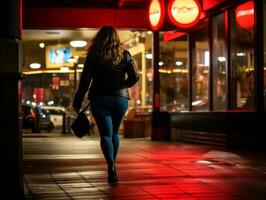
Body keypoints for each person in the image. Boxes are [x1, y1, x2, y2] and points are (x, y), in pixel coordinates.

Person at [72, 25, 139, 184]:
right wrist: (123, 85)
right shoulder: (125, 54)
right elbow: (135, 77)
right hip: (121, 99)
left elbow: (85, 81)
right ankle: (113, 165)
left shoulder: (94, 55)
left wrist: (78, 101)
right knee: (115, 133)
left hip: (100, 99)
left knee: (106, 135)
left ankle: (111, 167)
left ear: (99, 38)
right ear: (116, 38)